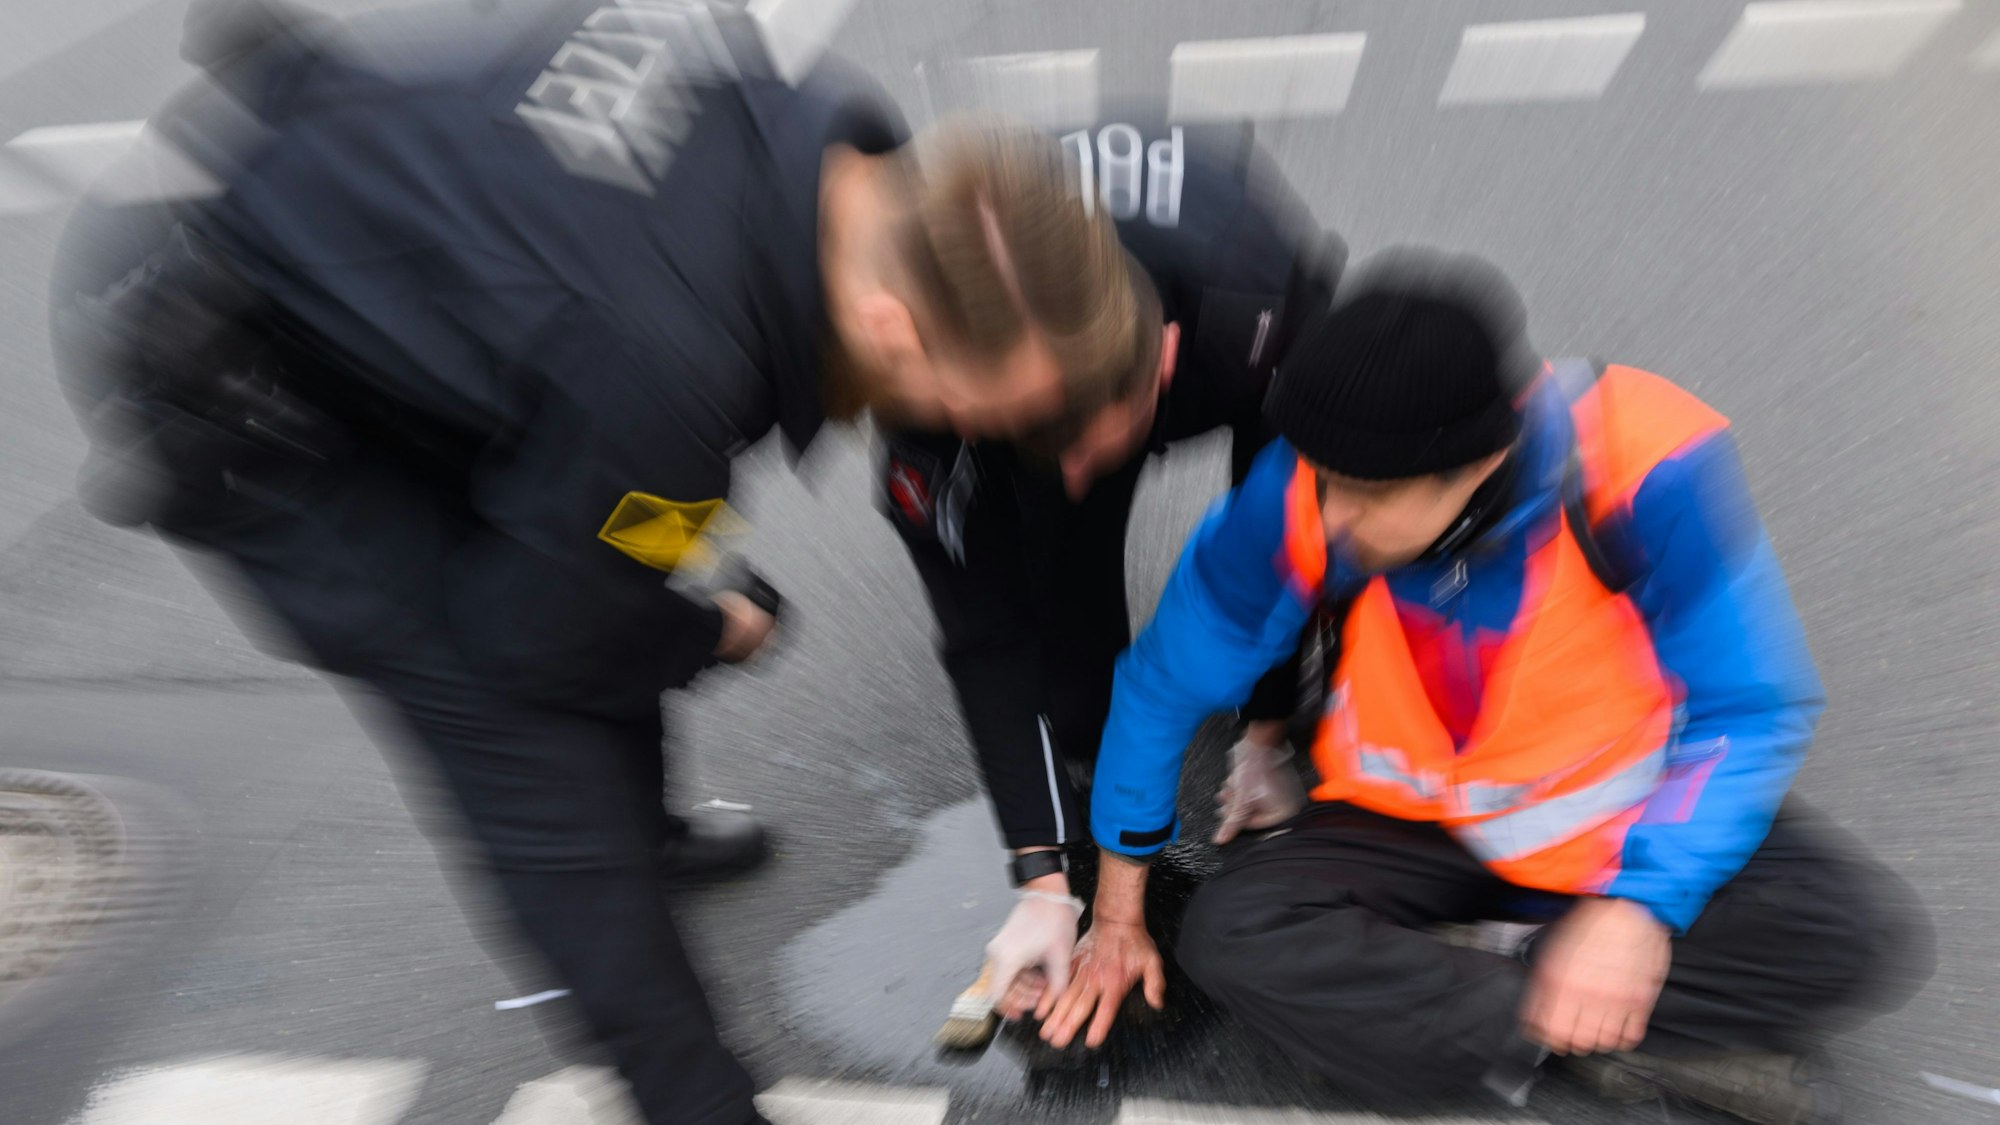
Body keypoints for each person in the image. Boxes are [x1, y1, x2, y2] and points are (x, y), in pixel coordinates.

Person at [49, 2, 1155, 1123]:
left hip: (380, 260)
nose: (975, 437)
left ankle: (650, 835)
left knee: (590, 558)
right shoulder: (665, 378)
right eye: (980, 410)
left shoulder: (818, 154)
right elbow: (536, 639)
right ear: (894, 328)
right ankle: (692, 1097)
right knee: (527, 742)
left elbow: (595, 499)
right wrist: (704, 634)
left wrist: (641, 598)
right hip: (233, 375)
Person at [1040, 250, 1933, 1122]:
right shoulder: (1302, 488)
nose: (1333, 515)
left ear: (1477, 463)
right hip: (1409, 819)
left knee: (1851, 933)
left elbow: (1749, 706)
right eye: (1324, 482)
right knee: (1229, 932)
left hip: (1614, 816)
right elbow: (1161, 686)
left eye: (1366, 495)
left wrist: (1636, 912)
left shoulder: (1640, 459)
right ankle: (1585, 1016)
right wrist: (1117, 915)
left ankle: (1485, 1000)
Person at [879, 116, 1346, 1022]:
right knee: (1063, 593)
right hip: (1050, 376)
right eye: (1048, 447)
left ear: (1162, 361)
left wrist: (1266, 732)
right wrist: (1043, 878)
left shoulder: (1251, 303)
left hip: (1234, 306)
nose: (1080, 475)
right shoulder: (926, 392)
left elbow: (1285, 537)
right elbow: (981, 634)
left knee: (1310, 538)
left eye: (1095, 447)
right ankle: (1099, 758)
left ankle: (1274, 725)